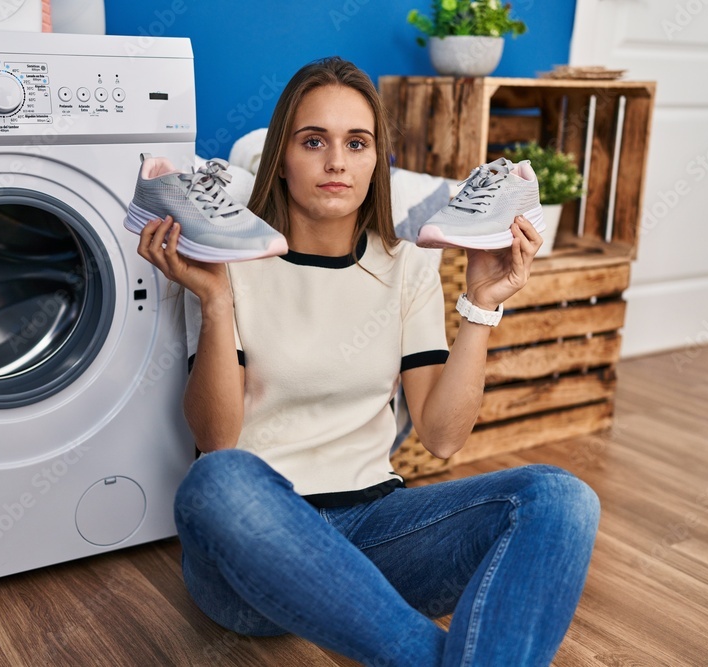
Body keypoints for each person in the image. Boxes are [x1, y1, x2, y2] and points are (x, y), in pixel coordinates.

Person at [136, 57, 600, 667]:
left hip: (374, 531)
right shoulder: (225, 255)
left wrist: (481, 305)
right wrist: (217, 302)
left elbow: (441, 437)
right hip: (255, 544)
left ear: (376, 159)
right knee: (217, 480)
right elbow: (218, 438)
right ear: (283, 155)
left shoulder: (408, 264)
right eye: (313, 141)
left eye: (357, 143)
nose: (336, 162)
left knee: (563, 497)